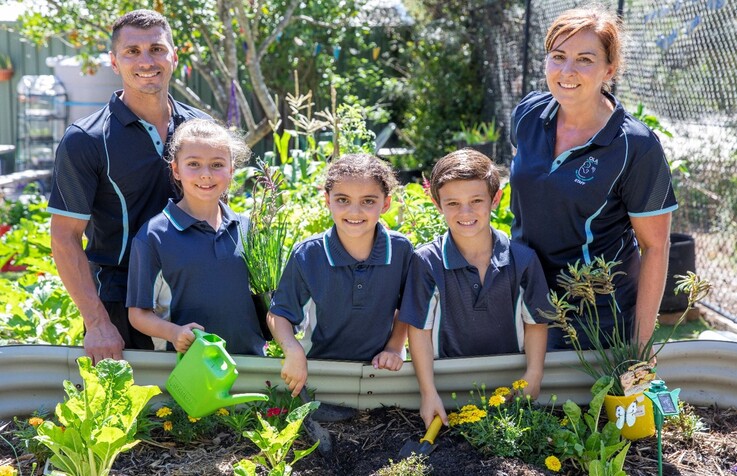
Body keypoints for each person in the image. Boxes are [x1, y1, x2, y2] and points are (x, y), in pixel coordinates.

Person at [509, 6, 677, 352]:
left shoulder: (636, 145)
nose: (567, 71)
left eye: (585, 59)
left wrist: (640, 346)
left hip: (592, 317)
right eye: (558, 56)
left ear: (609, 69)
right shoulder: (527, 114)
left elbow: (656, 247)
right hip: (523, 301)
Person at [47, 9, 210, 363]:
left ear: (174, 55)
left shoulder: (202, 128)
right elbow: (64, 237)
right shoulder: (86, 140)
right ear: (114, 61)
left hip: (195, 299)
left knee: (207, 417)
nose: (147, 61)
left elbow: (219, 215)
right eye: (132, 52)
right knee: (138, 416)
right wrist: (97, 323)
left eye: (157, 48)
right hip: (121, 302)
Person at [399, 149, 551, 429]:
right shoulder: (426, 261)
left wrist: (534, 373)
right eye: (453, 203)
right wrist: (428, 391)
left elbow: (536, 323)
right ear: (437, 203)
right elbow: (419, 330)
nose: (465, 212)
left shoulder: (523, 259)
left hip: (510, 387)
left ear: (496, 200)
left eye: (476, 201)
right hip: (448, 387)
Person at [267, 153, 412, 397]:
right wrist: (292, 350)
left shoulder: (401, 250)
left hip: (381, 373)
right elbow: (279, 313)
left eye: (368, 201)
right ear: (327, 200)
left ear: (385, 204)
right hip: (321, 373)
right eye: (343, 200)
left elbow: (409, 306)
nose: (355, 212)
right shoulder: (308, 253)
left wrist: (395, 347)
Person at [126, 119, 265, 355]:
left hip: (250, 365)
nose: (206, 175)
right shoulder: (154, 236)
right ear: (176, 170)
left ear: (232, 170)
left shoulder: (247, 228)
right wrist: (173, 333)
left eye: (217, 164)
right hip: (189, 371)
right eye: (194, 164)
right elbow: (138, 314)